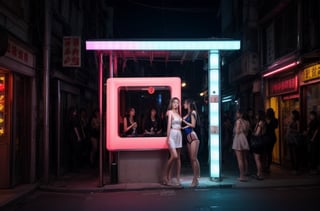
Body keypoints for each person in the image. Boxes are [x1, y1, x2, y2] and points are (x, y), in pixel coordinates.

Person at [162, 97, 182, 186]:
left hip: (179, 135)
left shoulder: (179, 113)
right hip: (172, 134)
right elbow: (169, 124)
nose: (175, 104)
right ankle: (165, 176)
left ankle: (177, 178)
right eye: (174, 102)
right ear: (171, 103)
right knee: (174, 155)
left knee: (178, 158)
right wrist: (168, 137)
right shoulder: (170, 112)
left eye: (177, 103)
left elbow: (181, 124)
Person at [182, 99, 201, 187]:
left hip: (193, 136)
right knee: (192, 159)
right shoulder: (189, 113)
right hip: (188, 137)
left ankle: (195, 179)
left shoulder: (193, 112)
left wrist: (184, 122)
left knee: (194, 158)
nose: (183, 105)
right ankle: (196, 176)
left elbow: (193, 125)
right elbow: (187, 124)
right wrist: (183, 127)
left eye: (185, 103)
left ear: (188, 104)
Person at [232, 109, 250, 182]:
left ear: (240, 114)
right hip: (244, 138)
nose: (236, 114)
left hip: (238, 138)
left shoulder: (238, 121)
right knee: (244, 158)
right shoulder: (247, 122)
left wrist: (235, 129)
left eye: (237, 113)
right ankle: (246, 172)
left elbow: (237, 131)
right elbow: (247, 132)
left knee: (240, 159)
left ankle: (242, 176)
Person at [251, 110, 267, 180]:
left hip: (258, 142)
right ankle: (259, 174)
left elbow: (257, 133)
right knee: (260, 159)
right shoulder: (263, 122)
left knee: (257, 159)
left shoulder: (260, 123)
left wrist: (252, 133)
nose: (256, 116)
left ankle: (259, 174)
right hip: (262, 142)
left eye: (257, 115)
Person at [286, 110, 302, 174]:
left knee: (295, 154)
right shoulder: (291, 121)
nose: (291, 115)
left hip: (295, 139)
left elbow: (298, 130)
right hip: (290, 139)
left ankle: (296, 168)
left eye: (292, 114)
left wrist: (291, 130)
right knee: (292, 154)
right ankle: (293, 168)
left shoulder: (297, 121)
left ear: (295, 115)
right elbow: (288, 129)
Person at [68, 106, 83, 171]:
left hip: (71, 136)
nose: (76, 112)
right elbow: (75, 128)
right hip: (74, 136)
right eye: (75, 111)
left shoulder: (70, 118)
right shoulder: (74, 119)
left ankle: (74, 166)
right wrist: (78, 136)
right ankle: (75, 167)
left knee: (73, 151)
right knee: (75, 151)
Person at [263, 108, 279, 174]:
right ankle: (268, 167)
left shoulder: (265, 120)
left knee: (265, 152)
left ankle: (265, 166)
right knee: (270, 152)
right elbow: (276, 127)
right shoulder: (275, 120)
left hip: (266, 137)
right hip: (272, 137)